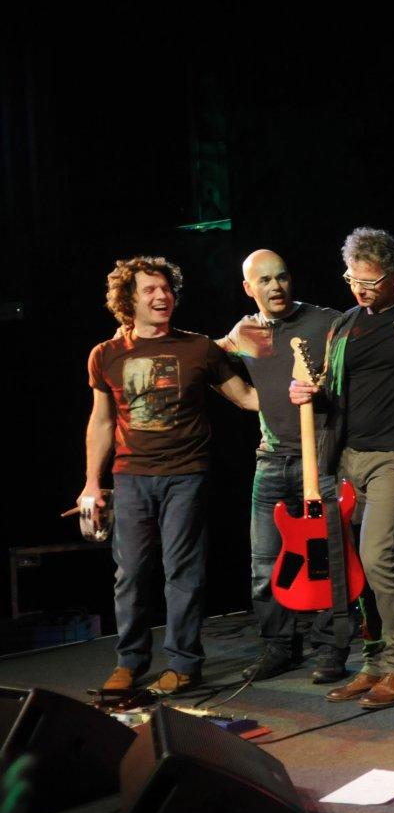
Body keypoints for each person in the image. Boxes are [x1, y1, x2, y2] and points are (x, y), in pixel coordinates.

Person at [82, 256, 259, 696]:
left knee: (183, 570)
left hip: (186, 474)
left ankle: (183, 663)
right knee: (131, 573)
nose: (162, 297)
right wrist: (91, 483)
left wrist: (295, 392)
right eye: (150, 290)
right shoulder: (105, 354)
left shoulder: (198, 348)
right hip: (131, 477)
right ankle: (129, 661)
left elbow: (244, 397)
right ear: (129, 300)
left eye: (166, 289)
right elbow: (101, 422)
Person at [292, 227, 394, 708]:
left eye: (370, 281)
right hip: (349, 456)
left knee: (378, 554)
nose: (359, 290)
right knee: (356, 566)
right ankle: (374, 661)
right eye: (352, 279)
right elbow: (335, 389)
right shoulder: (346, 323)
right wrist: (309, 392)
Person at [219, 250, 351, 685]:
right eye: (265, 280)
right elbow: (205, 358)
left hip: (322, 460)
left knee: (328, 561)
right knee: (265, 564)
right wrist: (243, 398)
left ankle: (330, 649)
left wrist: (324, 390)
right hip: (271, 461)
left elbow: (353, 375)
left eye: (282, 277)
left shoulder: (325, 321)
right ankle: (279, 648)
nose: (276, 287)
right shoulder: (245, 331)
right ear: (248, 288)